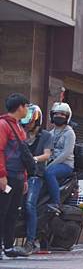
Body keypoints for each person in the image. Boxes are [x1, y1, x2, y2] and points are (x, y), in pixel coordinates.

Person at [19, 105, 52, 256]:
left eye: (31, 123)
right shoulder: (21, 133)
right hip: (19, 173)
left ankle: (30, 241)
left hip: (35, 175)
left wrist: (34, 159)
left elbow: (47, 154)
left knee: (29, 205)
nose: (28, 126)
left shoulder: (45, 136)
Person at [0, 93, 30, 259]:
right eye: (26, 106)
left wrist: (25, 177)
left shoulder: (20, 127)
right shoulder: (3, 125)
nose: (27, 110)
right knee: (2, 211)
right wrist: (1, 175)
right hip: (7, 176)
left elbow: (23, 155)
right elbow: (0, 151)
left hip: (18, 177)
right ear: (20, 107)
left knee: (13, 212)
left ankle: (9, 246)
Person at [45, 102, 76, 208]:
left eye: (62, 114)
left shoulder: (69, 133)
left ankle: (56, 202)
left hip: (65, 165)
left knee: (49, 173)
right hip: (51, 162)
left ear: (67, 117)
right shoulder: (50, 133)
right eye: (56, 114)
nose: (59, 116)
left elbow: (66, 153)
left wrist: (51, 164)